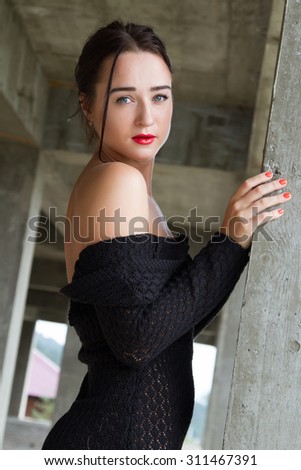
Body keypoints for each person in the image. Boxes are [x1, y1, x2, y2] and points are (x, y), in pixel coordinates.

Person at [42, 20, 291, 450]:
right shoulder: (116, 180)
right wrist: (229, 239)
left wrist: (234, 241)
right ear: (87, 105)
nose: (147, 117)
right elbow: (137, 340)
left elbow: (170, 328)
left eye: (159, 96)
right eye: (124, 99)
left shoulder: (134, 192)